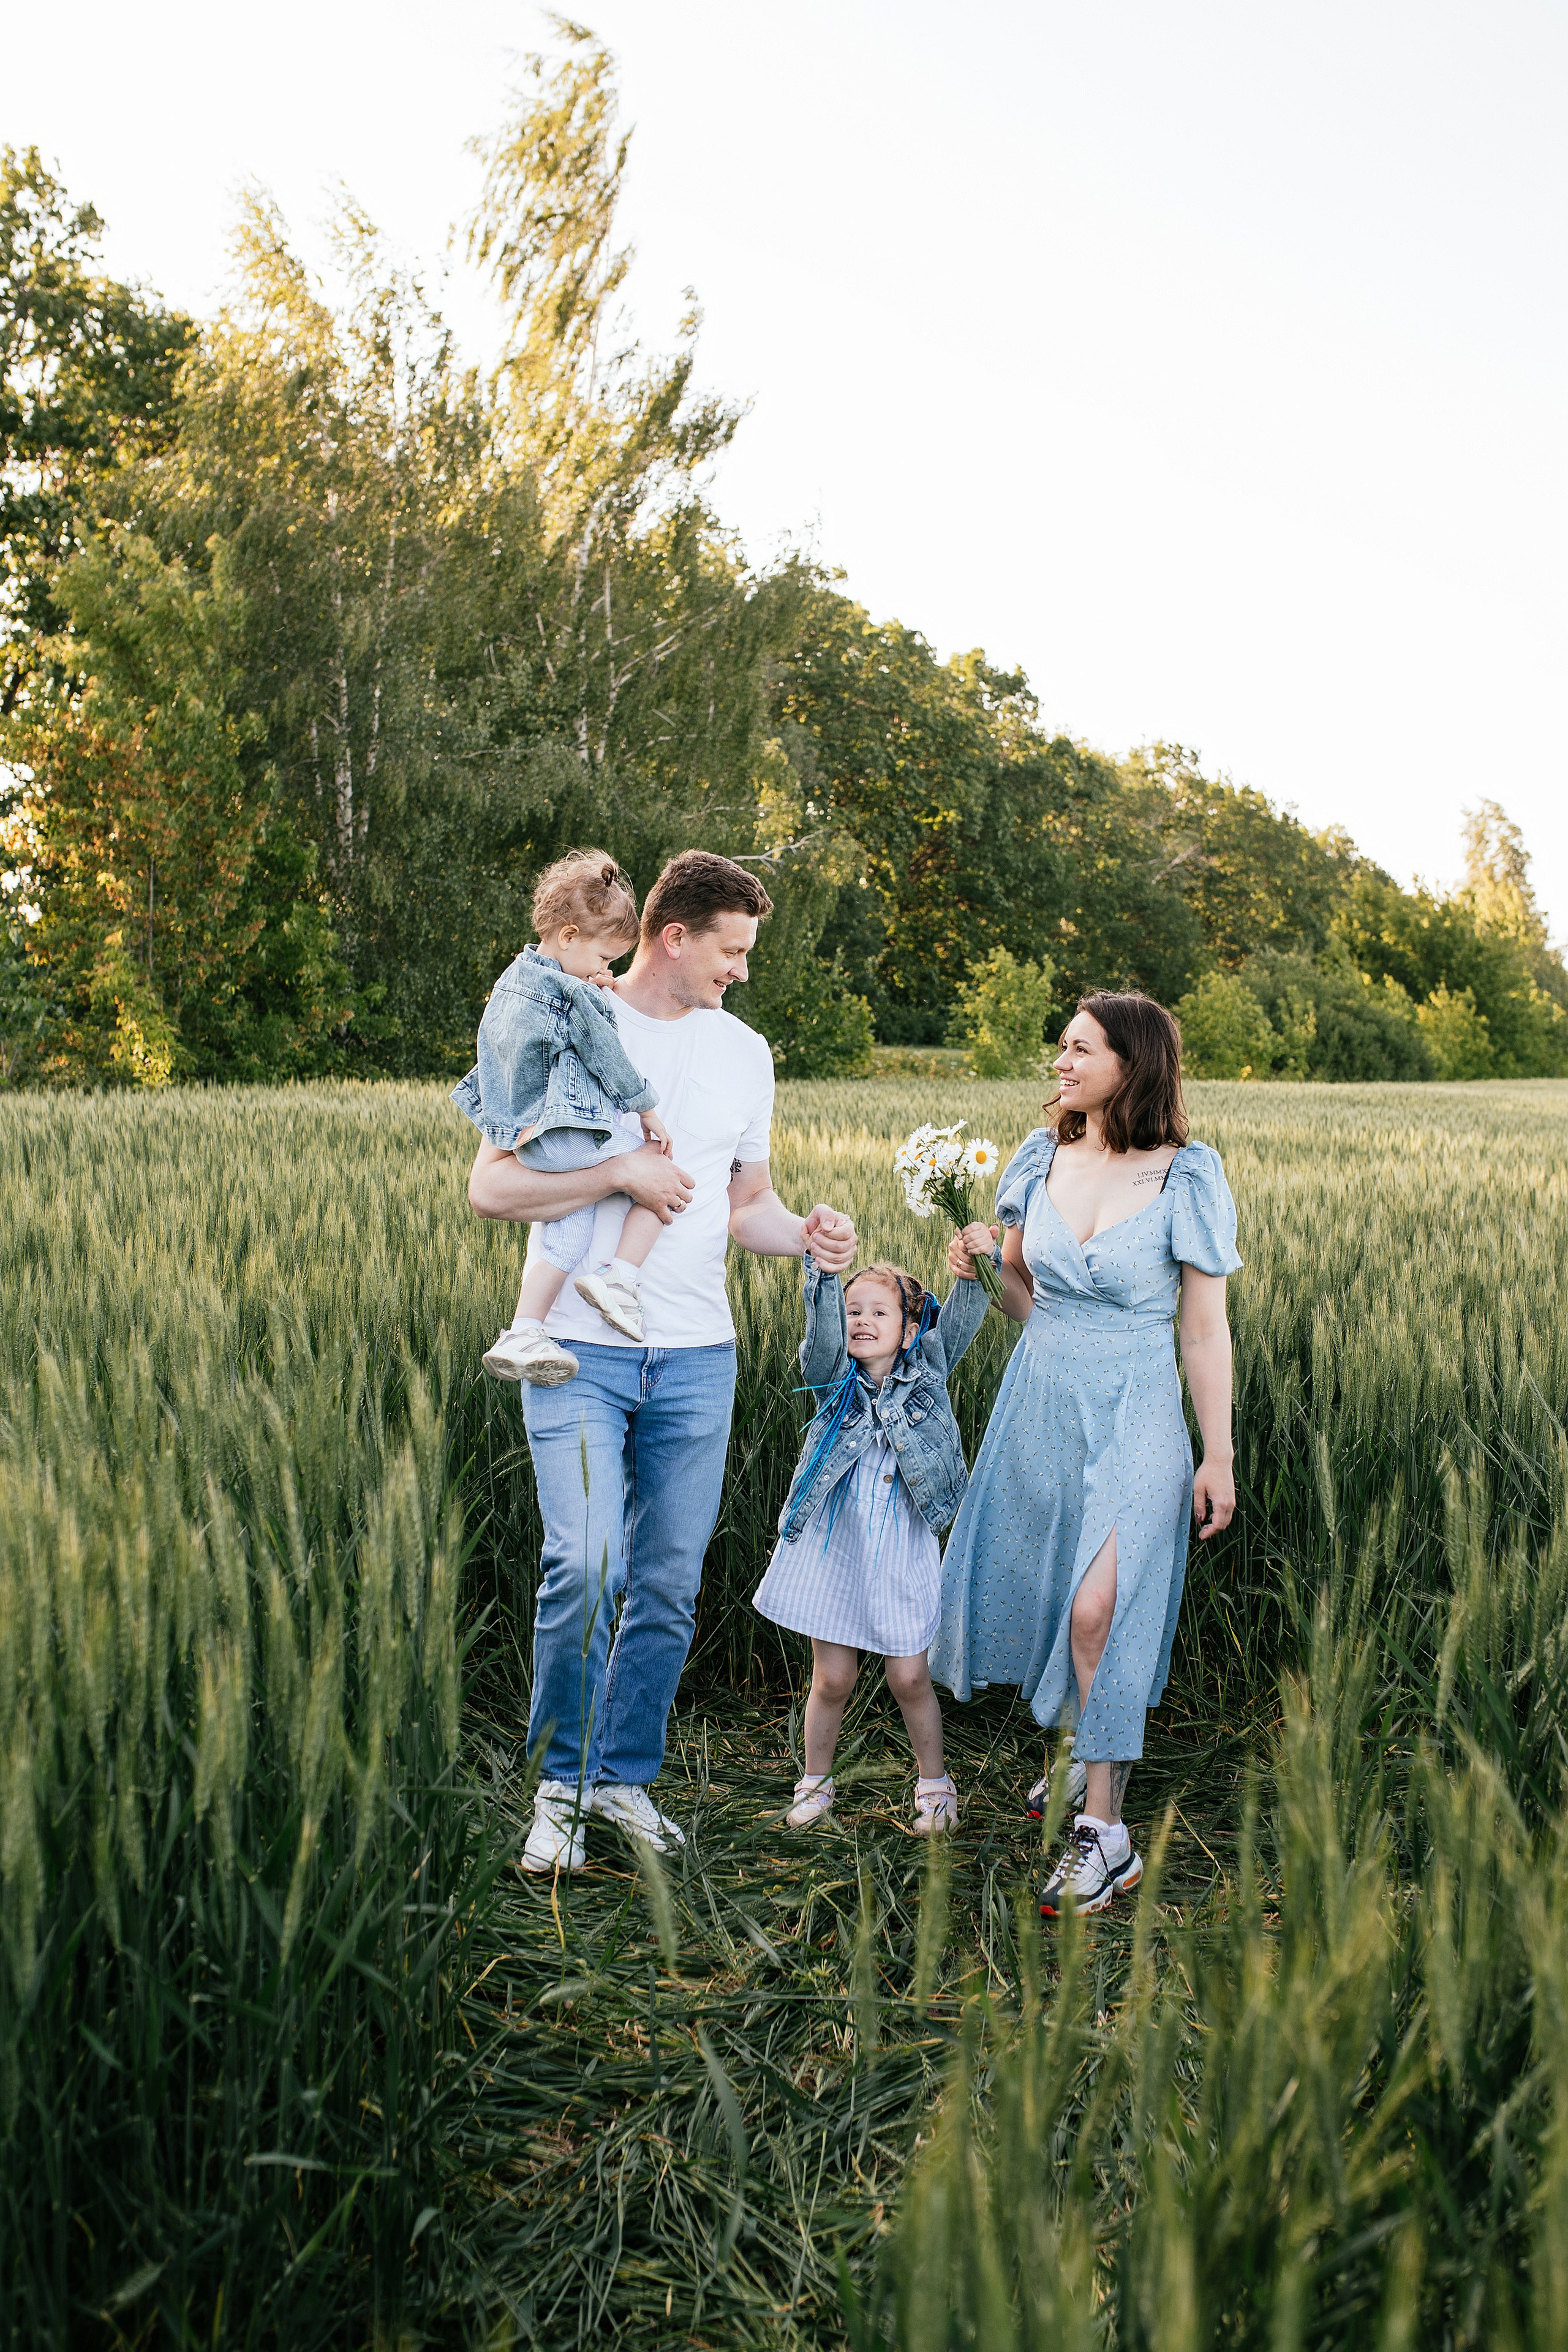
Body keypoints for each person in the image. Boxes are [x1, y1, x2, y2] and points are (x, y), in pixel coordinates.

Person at [467, 849, 858, 1874]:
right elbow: (492, 1190)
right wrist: (620, 1171)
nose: (742, 970)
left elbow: (746, 1207)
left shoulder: (747, 1054)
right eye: (732, 949)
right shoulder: (568, 1010)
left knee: (669, 1583)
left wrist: (807, 1233)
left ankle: (620, 1779)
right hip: (579, 1352)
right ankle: (559, 1786)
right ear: (672, 936)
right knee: (584, 1563)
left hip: (696, 1354)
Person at [932, 991, 1240, 1917]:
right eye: (1059, 1047)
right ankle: (1068, 1767)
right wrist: (981, 1264)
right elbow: (1030, 1297)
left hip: (1138, 1405)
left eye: (1079, 1049)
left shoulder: (1188, 1175)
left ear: (1132, 1063)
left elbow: (1204, 1328)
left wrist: (1216, 1456)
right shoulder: (1039, 1157)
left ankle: (1105, 1837)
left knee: (1101, 1607)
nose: (1060, 1063)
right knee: (1051, 1595)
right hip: (1042, 1397)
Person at [752, 1254, 993, 1835]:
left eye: (878, 1312)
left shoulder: (927, 1375)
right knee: (833, 1679)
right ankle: (815, 1783)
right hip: (835, 1549)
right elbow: (823, 1335)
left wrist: (974, 1269)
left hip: (901, 1551)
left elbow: (960, 1321)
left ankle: (935, 1784)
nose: (861, 1320)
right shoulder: (835, 1381)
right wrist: (826, 1275)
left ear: (910, 1331)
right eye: (853, 1310)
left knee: (909, 1677)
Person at [454, 853, 677, 1384]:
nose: (609, 972)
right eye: (604, 957)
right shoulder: (575, 992)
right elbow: (607, 1057)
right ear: (570, 936)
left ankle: (524, 1330)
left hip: (528, 1136)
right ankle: (620, 1279)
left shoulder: (513, 982)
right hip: (566, 1134)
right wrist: (647, 1110)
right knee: (663, 1174)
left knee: (567, 1231)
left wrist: (581, 991)